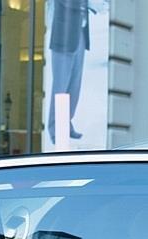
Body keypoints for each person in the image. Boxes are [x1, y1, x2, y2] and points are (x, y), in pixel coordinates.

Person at [47, 0, 90, 144]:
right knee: (60, 88)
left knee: (74, 86)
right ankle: (54, 128)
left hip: (79, 34)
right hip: (63, 38)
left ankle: (66, 124)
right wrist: (84, 4)